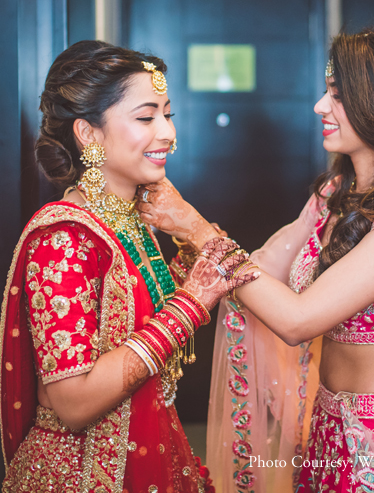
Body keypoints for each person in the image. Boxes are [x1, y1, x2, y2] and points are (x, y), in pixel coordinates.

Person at [137, 25, 374, 493]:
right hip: (327, 426)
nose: (319, 106)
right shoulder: (336, 192)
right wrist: (181, 253)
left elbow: (297, 319)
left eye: (337, 95)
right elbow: (262, 270)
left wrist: (194, 226)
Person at [0, 41, 260, 493]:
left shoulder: (131, 219)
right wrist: (191, 304)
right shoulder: (64, 239)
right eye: (146, 117)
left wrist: (189, 243)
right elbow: (74, 402)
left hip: (145, 448)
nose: (168, 134)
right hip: (82, 472)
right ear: (89, 134)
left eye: (168, 114)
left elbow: (140, 316)